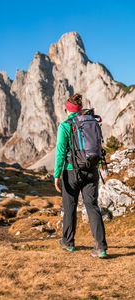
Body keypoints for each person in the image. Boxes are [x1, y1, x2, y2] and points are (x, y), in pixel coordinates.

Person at [54, 93, 108, 258]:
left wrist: (57, 175)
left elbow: (61, 152)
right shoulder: (91, 122)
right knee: (92, 206)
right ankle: (100, 248)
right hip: (92, 170)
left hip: (72, 171)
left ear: (67, 110)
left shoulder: (65, 126)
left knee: (70, 206)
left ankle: (68, 243)